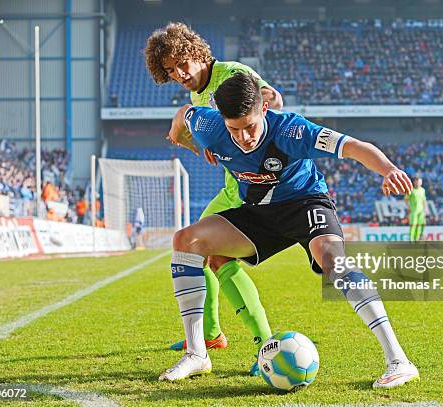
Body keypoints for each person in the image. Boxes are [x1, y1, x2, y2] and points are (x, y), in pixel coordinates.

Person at [160, 73, 419, 388]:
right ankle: (197, 353)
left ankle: (399, 360)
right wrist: (185, 140)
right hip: (257, 214)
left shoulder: (293, 131)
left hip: (305, 203)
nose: (243, 138)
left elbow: (353, 147)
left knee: (333, 260)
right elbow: (183, 116)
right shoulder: (210, 127)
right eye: (234, 130)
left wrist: (389, 169)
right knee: (187, 241)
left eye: (250, 127)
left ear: (265, 109)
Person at [145, 22, 281, 374]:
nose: (179, 74)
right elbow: (211, 139)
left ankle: (265, 346)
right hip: (232, 185)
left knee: (215, 256)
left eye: (181, 64)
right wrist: (195, 141)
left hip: (256, 186)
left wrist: (263, 101)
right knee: (192, 249)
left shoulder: (231, 73)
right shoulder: (196, 96)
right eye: (171, 71)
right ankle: (210, 336)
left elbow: (270, 99)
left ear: (196, 52)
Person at [405, 176, 427, 242]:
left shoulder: (423, 190)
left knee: (420, 225)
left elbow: (424, 200)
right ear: (414, 182)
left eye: (420, 182)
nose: (418, 183)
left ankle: (417, 239)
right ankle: (411, 239)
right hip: (413, 210)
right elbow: (406, 199)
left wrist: (425, 208)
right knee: (413, 225)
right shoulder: (411, 190)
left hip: (421, 210)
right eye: (417, 181)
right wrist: (409, 207)